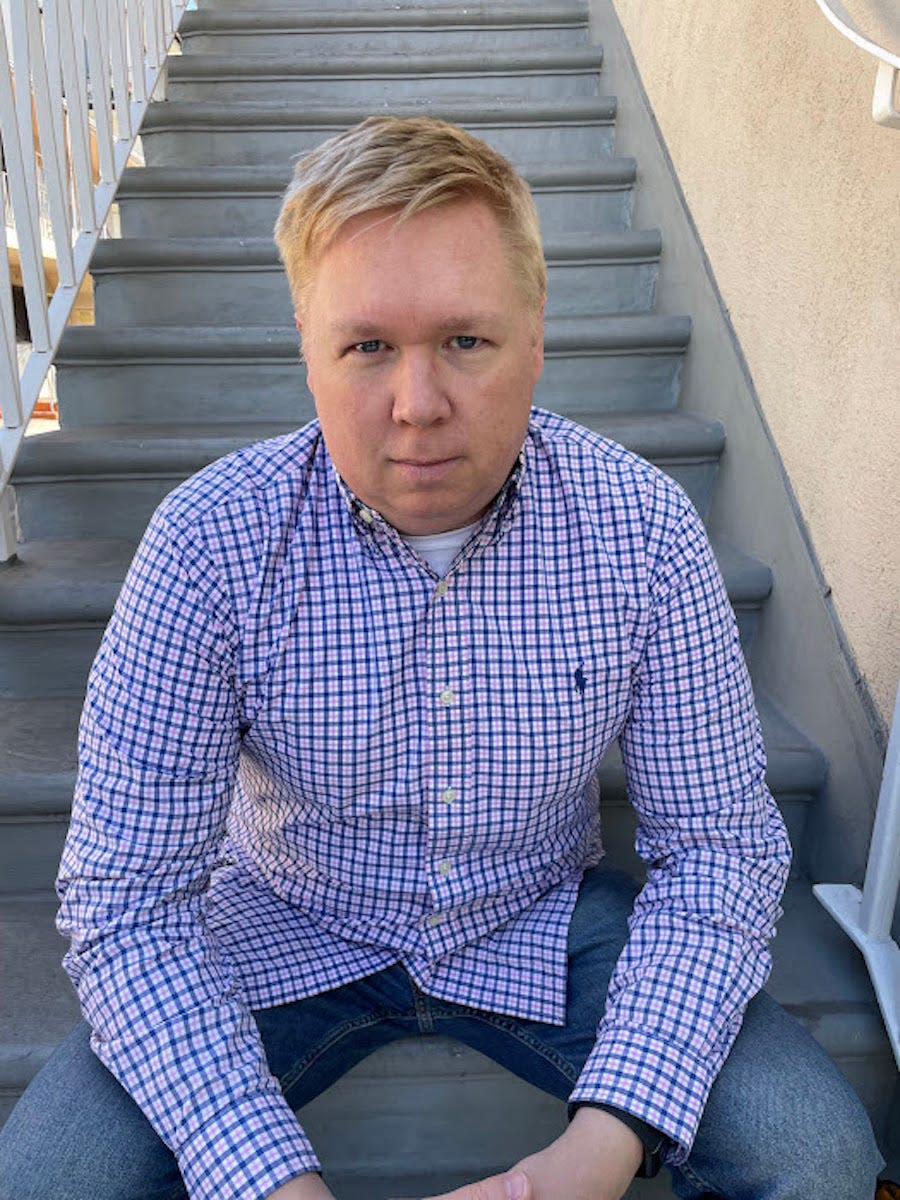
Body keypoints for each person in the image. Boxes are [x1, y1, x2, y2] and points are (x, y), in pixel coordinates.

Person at [0, 116, 883, 1200]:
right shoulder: (209, 546)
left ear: (537, 333)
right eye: (367, 345)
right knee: (52, 1177)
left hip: (541, 915)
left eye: (465, 340)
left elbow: (718, 851)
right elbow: (127, 901)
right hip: (284, 921)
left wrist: (589, 1158)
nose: (417, 406)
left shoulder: (642, 531)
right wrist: (269, 1182)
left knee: (817, 1158)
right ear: (306, 343)